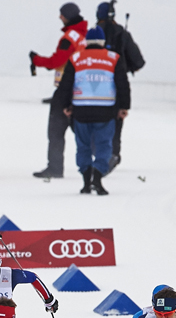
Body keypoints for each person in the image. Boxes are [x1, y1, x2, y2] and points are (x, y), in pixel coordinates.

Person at [53, 26, 130, 196]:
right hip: (106, 111)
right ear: (103, 42)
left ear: (86, 42)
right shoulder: (114, 58)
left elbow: (66, 85)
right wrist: (124, 107)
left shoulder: (76, 58)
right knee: (104, 145)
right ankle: (98, 175)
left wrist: (66, 106)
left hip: (81, 111)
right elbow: (122, 84)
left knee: (83, 146)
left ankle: (86, 180)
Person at [30, 2, 88, 179]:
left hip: (65, 89)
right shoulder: (83, 36)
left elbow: (57, 61)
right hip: (81, 88)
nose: (59, 17)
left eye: (62, 15)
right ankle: (102, 157)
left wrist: (37, 60)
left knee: (55, 129)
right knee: (80, 129)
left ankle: (55, 168)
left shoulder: (69, 38)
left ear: (67, 17)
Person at [95, 1, 145, 172]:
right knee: (116, 120)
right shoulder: (123, 34)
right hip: (117, 85)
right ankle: (113, 154)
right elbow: (138, 61)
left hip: (93, 84)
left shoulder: (94, 34)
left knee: (91, 119)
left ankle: (97, 152)